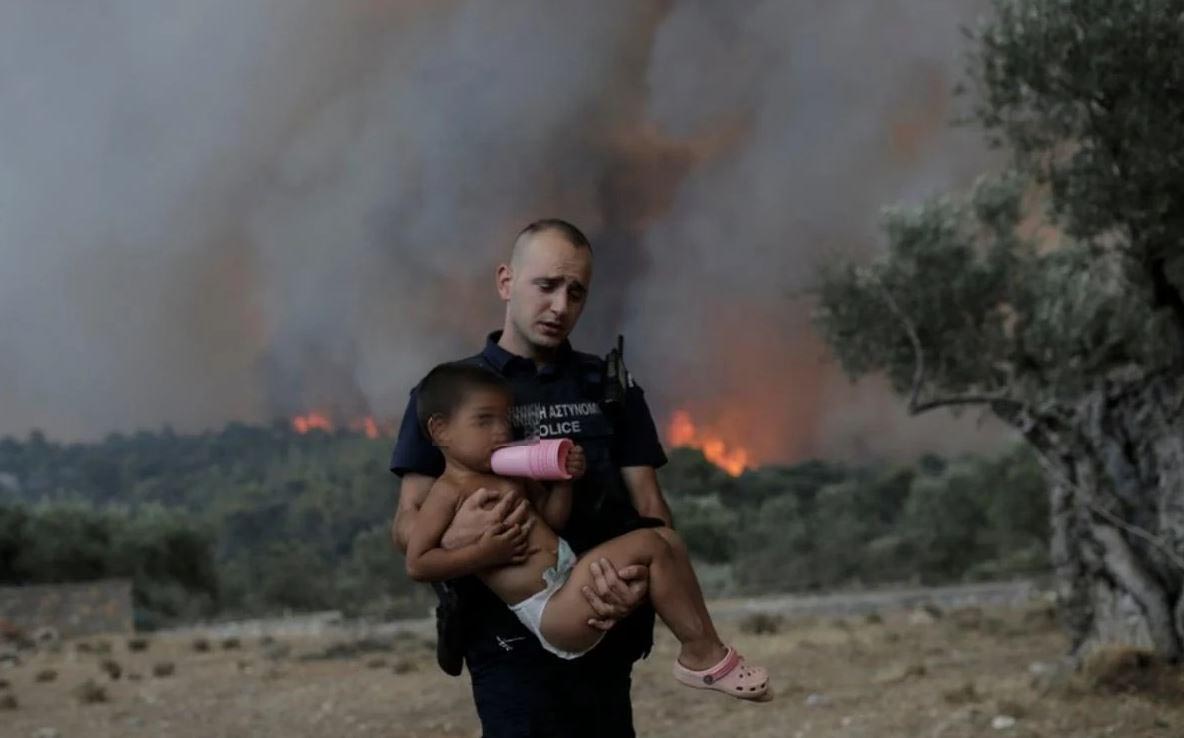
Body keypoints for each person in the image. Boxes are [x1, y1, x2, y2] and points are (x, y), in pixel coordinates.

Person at [389, 219, 673, 737]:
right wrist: (466, 538)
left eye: (576, 292)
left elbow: (650, 503)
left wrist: (638, 587)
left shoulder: (610, 388)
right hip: (504, 639)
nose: (561, 306)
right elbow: (407, 520)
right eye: (546, 286)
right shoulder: (452, 394)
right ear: (506, 281)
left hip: (603, 623)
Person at [403, 362, 771, 701]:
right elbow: (418, 563)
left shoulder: (510, 473)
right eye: (485, 421)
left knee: (665, 540)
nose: (501, 431)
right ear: (440, 430)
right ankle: (700, 654)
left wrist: (564, 481)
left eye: (504, 419)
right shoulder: (447, 492)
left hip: (569, 577)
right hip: (549, 609)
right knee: (649, 543)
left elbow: (552, 521)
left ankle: (704, 645)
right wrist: (484, 555)